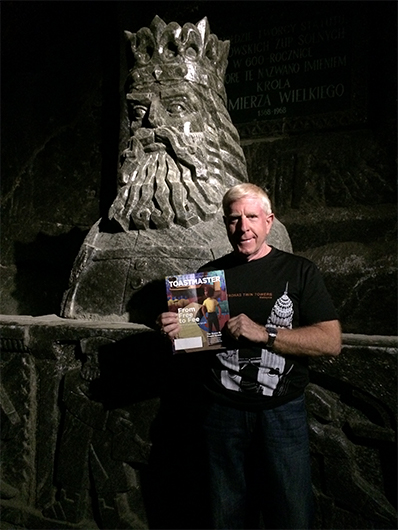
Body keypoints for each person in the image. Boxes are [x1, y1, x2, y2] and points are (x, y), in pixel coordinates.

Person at [158, 182, 341, 529]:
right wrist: (173, 327)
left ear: (268, 221)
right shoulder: (208, 276)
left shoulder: (299, 271)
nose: (243, 227)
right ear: (225, 224)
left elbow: (331, 342)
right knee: (223, 513)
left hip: (281, 411)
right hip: (221, 411)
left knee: (292, 512)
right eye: (233, 219)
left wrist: (266, 334)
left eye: (252, 217)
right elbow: (194, 343)